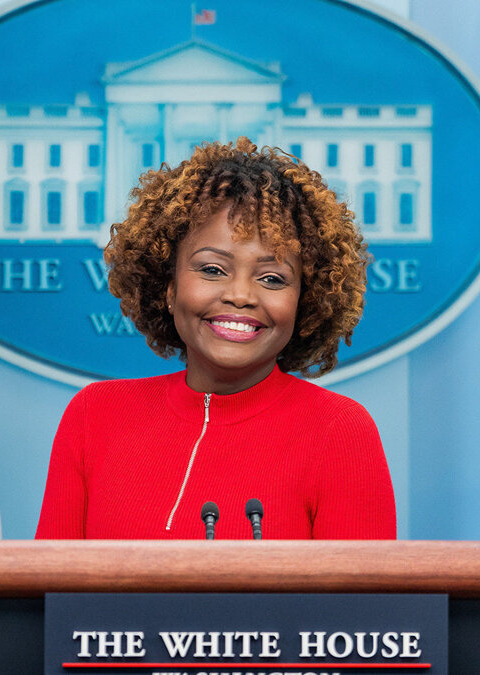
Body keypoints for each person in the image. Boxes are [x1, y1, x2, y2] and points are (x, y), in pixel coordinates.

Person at [35, 137, 396, 540]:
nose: (240, 295)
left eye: (272, 278)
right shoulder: (94, 417)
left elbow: (363, 603)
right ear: (168, 287)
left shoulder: (340, 430)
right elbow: (51, 596)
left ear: (304, 302)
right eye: (212, 269)